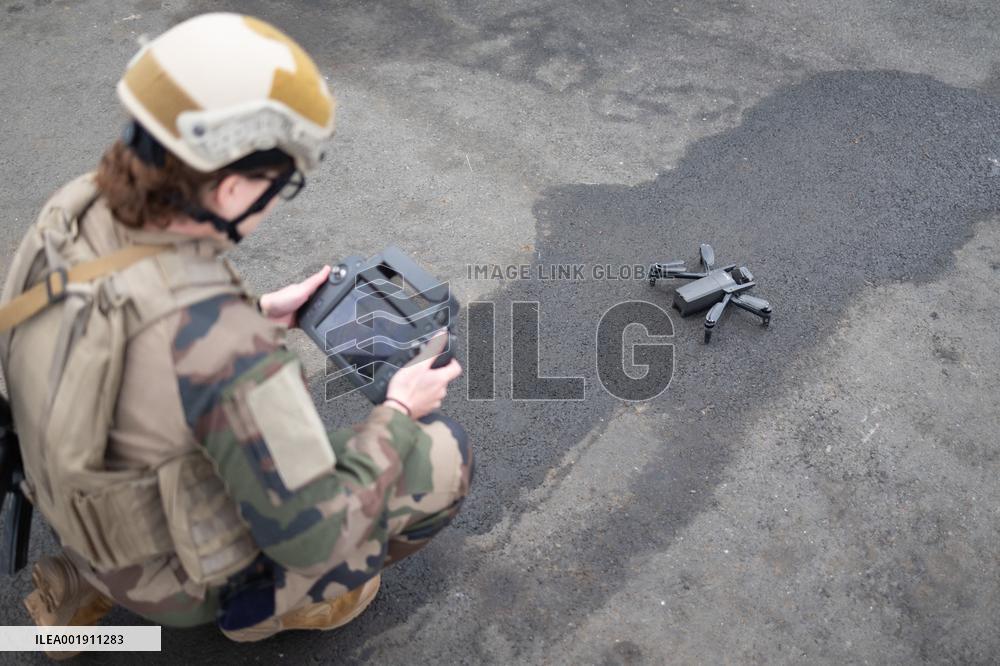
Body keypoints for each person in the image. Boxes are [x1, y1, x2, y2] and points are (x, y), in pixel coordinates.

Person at [0, 12, 471, 650]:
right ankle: (270, 607)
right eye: (281, 185)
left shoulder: (74, 210)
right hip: (173, 571)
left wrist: (254, 309)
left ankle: (89, 580)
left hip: (76, 502)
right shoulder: (227, 350)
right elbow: (314, 533)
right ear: (228, 189)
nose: (276, 201)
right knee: (441, 454)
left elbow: (128, 329)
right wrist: (397, 410)